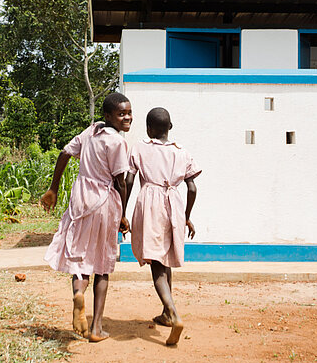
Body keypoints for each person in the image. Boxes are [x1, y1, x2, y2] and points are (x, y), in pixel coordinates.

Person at [40, 92, 132, 342]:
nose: (127, 118)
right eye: (121, 114)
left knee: (80, 256)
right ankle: (96, 328)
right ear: (108, 116)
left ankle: (78, 294)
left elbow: (64, 153)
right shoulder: (117, 142)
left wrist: (53, 188)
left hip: (80, 198)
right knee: (102, 265)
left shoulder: (90, 131)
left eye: (129, 113)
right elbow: (121, 182)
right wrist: (123, 215)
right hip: (103, 201)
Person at [125, 107, 200, 346]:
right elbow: (192, 188)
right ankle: (166, 314)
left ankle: (174, 314)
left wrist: (122, 211)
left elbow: (128, 180)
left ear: (149, 129)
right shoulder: (182, 152)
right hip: (174, 203)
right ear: (171, 127)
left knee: (156, 263)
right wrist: (186, 216)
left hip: (150, 203)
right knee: (165, 258)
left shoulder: (140, 147)